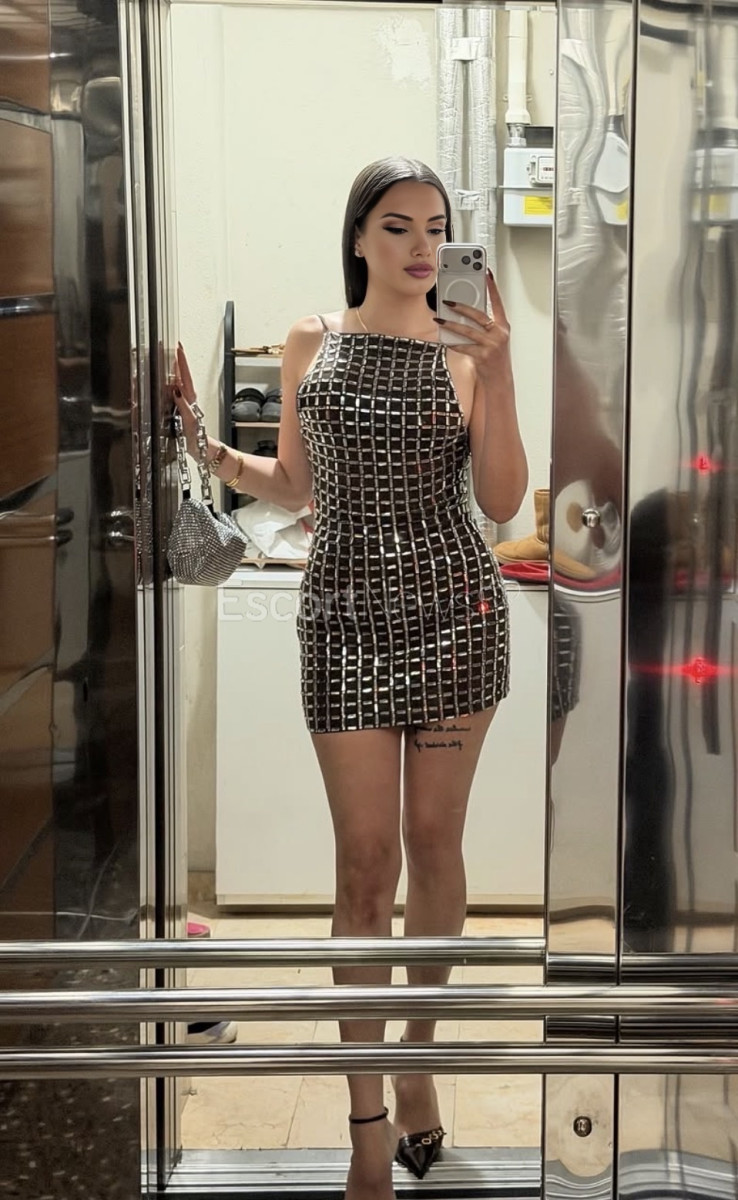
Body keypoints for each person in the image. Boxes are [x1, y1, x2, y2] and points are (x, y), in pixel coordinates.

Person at [173, 156, 527, 1200]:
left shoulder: (469, 350)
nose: (422, 246)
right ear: (360, 236)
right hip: (342, 623)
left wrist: (503, 373)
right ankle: (366, 1120)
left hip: (455, 617)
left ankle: (421, 1058)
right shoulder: (311, 340)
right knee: (366, 866)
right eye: (399, 225)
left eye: (437, 228)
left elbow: (503, 501)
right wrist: (206, 449)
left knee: (436, 846)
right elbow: (296, 482)